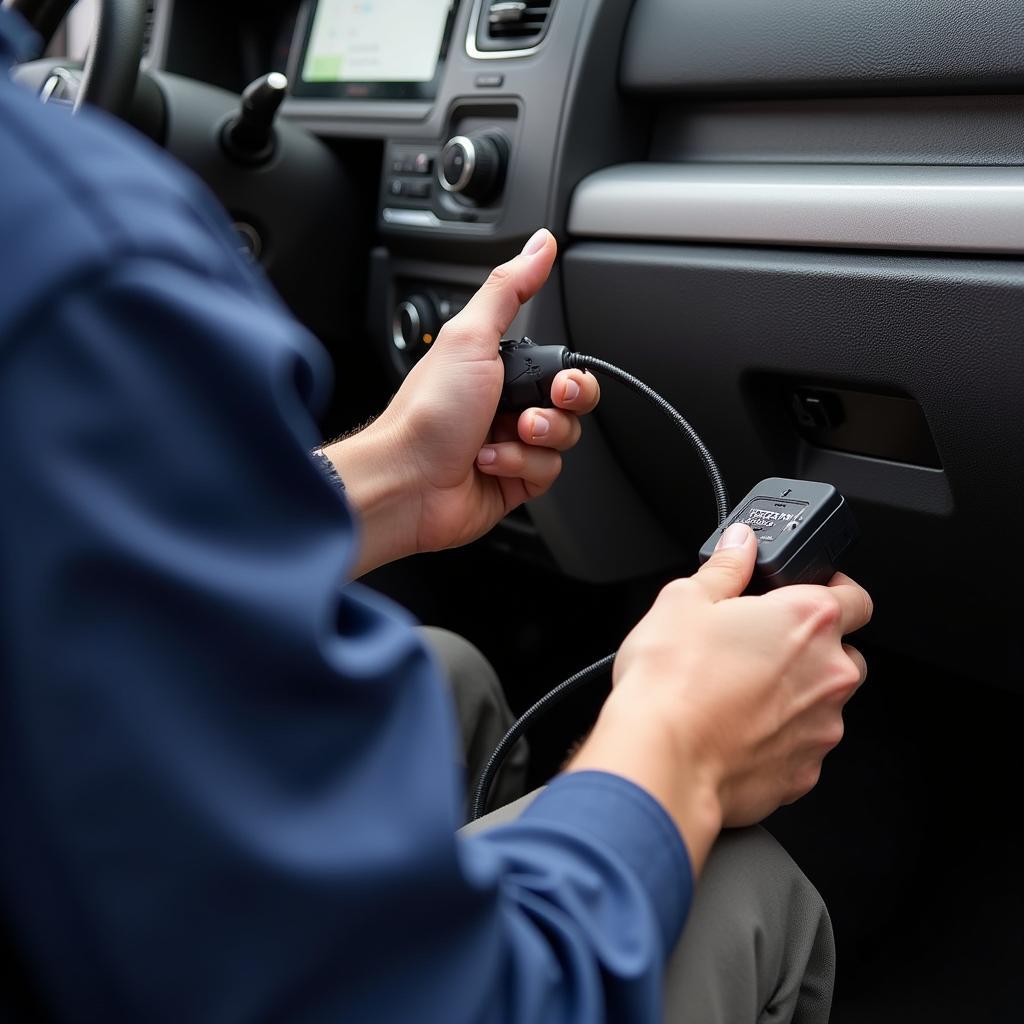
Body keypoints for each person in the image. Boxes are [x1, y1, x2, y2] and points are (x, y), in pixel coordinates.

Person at [0, 7, 872, 1022]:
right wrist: (682, 742)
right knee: (742, 884)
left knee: (444, 676)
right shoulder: (73, 262)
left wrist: (382, 481)